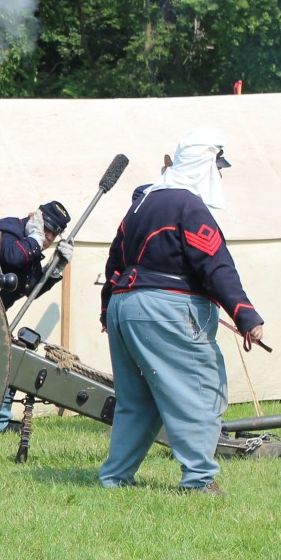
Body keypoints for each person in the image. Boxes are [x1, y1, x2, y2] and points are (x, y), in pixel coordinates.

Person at [98, 126, 265, 493]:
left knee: (136, 401)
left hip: (124, 307)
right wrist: (245, 314)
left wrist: (108, 308)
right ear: (204, 166)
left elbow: (115, 261)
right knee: (200, 389)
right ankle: (199, 479)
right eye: (217, 167)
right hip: (165, 309)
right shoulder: (188, 205)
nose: (219, 175)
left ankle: (115, 477)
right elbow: (215, 264)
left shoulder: (141, 204)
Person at [0, 201, 73, 432]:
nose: (48, 237)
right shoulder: (6, 231)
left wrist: (55, 270)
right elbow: (13, 256)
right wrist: (35, 239)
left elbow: (30, 288)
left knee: (11, 358)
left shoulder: (32, 246)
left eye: (53, 233)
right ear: (34, 217)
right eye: (46, 228)